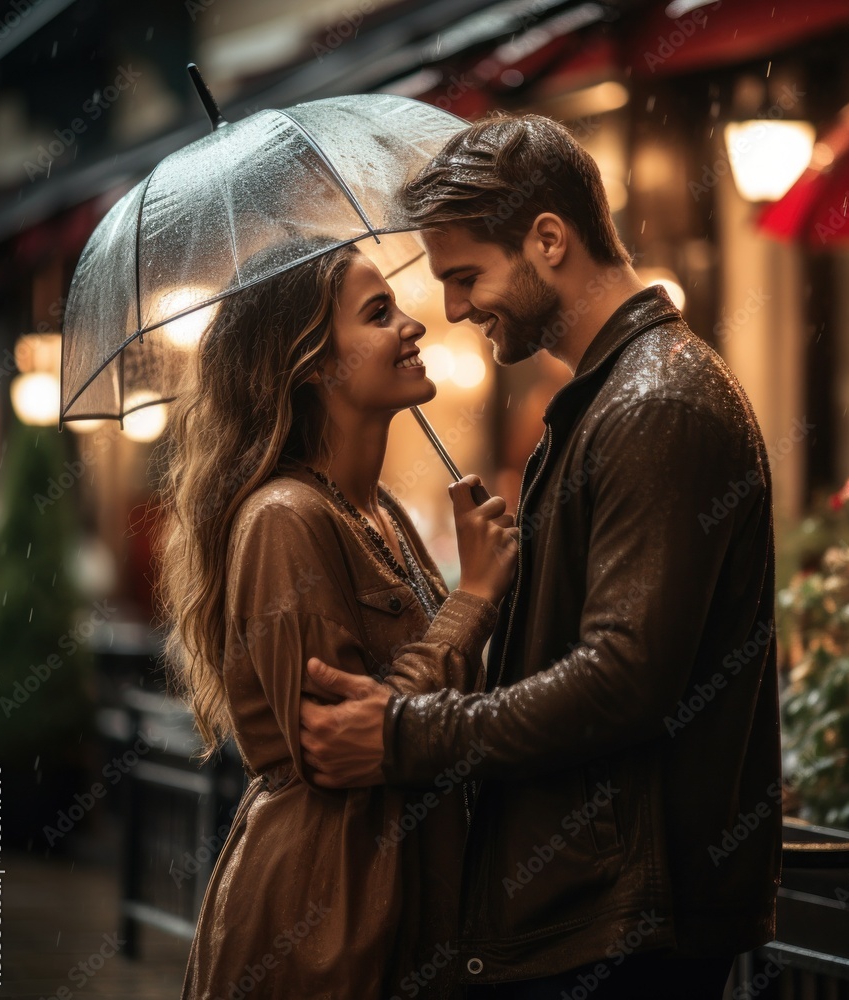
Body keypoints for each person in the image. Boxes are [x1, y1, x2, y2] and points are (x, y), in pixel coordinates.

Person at [298, 113, 782, 999]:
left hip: (626, 924)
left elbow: (623, 680)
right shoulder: (603, 401)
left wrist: (402, 735)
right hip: (599, 913)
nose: (451, 308)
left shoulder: (654, 401)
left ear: (548, 240)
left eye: (466, 275)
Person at [156, 241, 518, 999]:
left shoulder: (380, 514)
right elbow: (336, 740)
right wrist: (473, 600)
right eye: (379, 313)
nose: (414, 326)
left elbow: (434, 707)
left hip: (408, 897)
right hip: (325, 916)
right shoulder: (284, 518)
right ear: (314, 364)